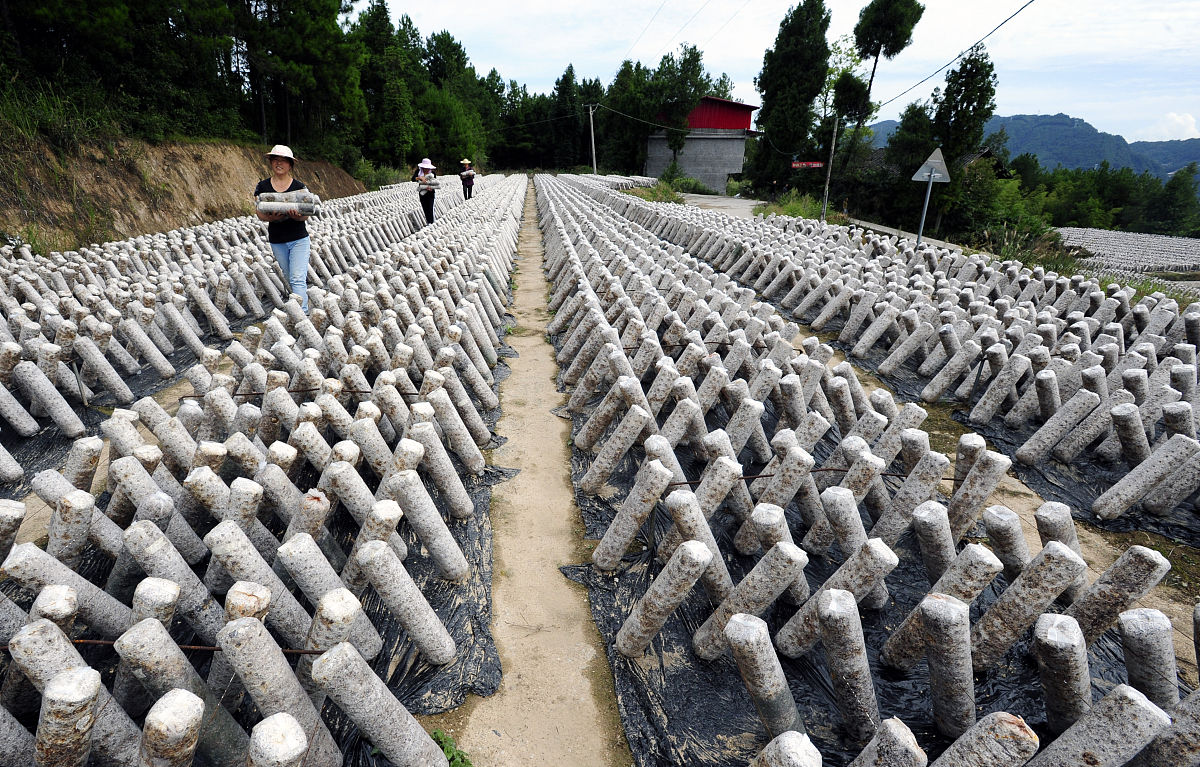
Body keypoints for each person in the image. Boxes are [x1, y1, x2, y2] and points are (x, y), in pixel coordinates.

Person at [254, 144, 312, 312]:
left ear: (290, 165)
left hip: (299, 238)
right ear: (271, 162)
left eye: (283, 161)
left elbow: (306, 215)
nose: (279, 163)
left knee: (297, 278)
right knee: (289, 277)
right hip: (277, 239)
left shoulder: (300, 187)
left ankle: (302, 314)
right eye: (275, 160)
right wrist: (272, 218)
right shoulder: (263, 187)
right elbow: (259, 213)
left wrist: (296, 216)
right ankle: (299, 307)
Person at [412, 158, 439, 225]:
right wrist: (419, 178)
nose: (426, 169)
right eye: (424, 168)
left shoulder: (432, 173)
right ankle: (428, 222)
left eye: (427, 168)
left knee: (430, 208)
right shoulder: (418, 172)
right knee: (425, 208)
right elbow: (413, 179)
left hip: (430, 193)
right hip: (422, 192)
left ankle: (431, 222)